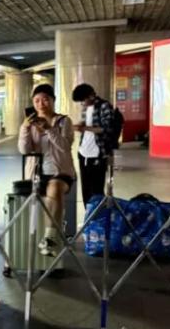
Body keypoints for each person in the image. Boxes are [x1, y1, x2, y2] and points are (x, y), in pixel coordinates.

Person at [18, 84, 75, 257]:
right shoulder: (29, 124)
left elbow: (65, 147)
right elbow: (24, 150)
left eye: (45, 99)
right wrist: (25, 128)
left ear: (52, 100)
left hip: (61, 172)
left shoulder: (64, 121)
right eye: (36, 101)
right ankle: (43, 242)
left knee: (54, 188)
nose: (41, 104)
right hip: (35, 173)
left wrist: (49, 129)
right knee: (42, 201)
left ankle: (50, 238)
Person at [71, 84, 117, 204]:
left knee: (96, 189)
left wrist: (85, 128)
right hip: (83, 152)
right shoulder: (85, 108)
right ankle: (88, 213)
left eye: (83, 100)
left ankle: (97, 213)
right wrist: (79, 126)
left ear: (91, 95)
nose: (82, 104)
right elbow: (86, 125)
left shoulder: (104, 106)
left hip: (98, 152)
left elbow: (108, 128)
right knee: (85, 189)